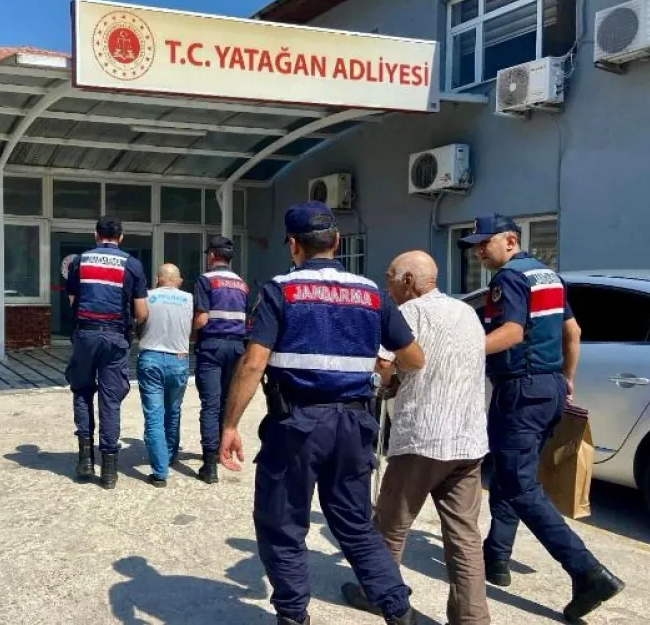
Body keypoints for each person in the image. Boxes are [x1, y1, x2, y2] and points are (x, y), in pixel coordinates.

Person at [218, 202, 426, 625]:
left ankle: (294, 615)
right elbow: (414, 358)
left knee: (282, 523)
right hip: (354, 426)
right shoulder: (372, 294)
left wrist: (230, 425)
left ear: (294, 245)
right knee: (355, 525)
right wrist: (377, 369)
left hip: (296, 427)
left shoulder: (280, 290)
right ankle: (399, 611)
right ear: (337, 241)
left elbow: (254, 362)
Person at [459, 213, 624, 622]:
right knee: (512, 473)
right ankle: (496, 558)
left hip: (521, 391)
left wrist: (461, 349)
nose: (479, 252)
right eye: (475, 246)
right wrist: (566, 379)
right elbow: (573, 332)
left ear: (510, 241)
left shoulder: (509, 279)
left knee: (520, 486)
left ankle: (587, 572)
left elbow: (512, 333)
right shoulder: (546, 275)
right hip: (547, 388)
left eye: (485, 243)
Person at [340, 251, 490, 625]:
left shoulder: (407, 314)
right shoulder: (466, 312)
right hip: (468, 438)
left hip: (423, 437)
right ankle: (471, 618)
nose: (387, 285)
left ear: (408, 280)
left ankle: (378, 594)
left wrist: (384, 385)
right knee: (465, 537)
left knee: (390, 524)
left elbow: (384, 365)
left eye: (390, 277)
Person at [65, 216, 148, 490]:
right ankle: (109, 470)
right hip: (115, 337)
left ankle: (85, 460)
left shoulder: (80, 261)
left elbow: (73, 301)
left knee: (82, 391)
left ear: (95, 234)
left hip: (85, 335)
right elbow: (141, 311)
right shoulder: (132, 264)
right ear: (121, 237)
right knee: (110, 400)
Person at [192, 236, 248, 484]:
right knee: (226, 402)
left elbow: (201, 319)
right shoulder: (241, 284)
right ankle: (219, 452)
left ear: (213, 255)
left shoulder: (206, 280)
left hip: (212, 346)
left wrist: (191, 334)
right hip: (236, 347)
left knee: (210, 404)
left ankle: (209, 466)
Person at [136, 263, 194, 487]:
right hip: (178, 359)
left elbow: (138, 320)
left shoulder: (147, 296)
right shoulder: (188, 298)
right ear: (178, 280)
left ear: (157, 279)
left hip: (150, 358)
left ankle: (160, 472)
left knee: (154, 415)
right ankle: (169, 454)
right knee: (173, 410)